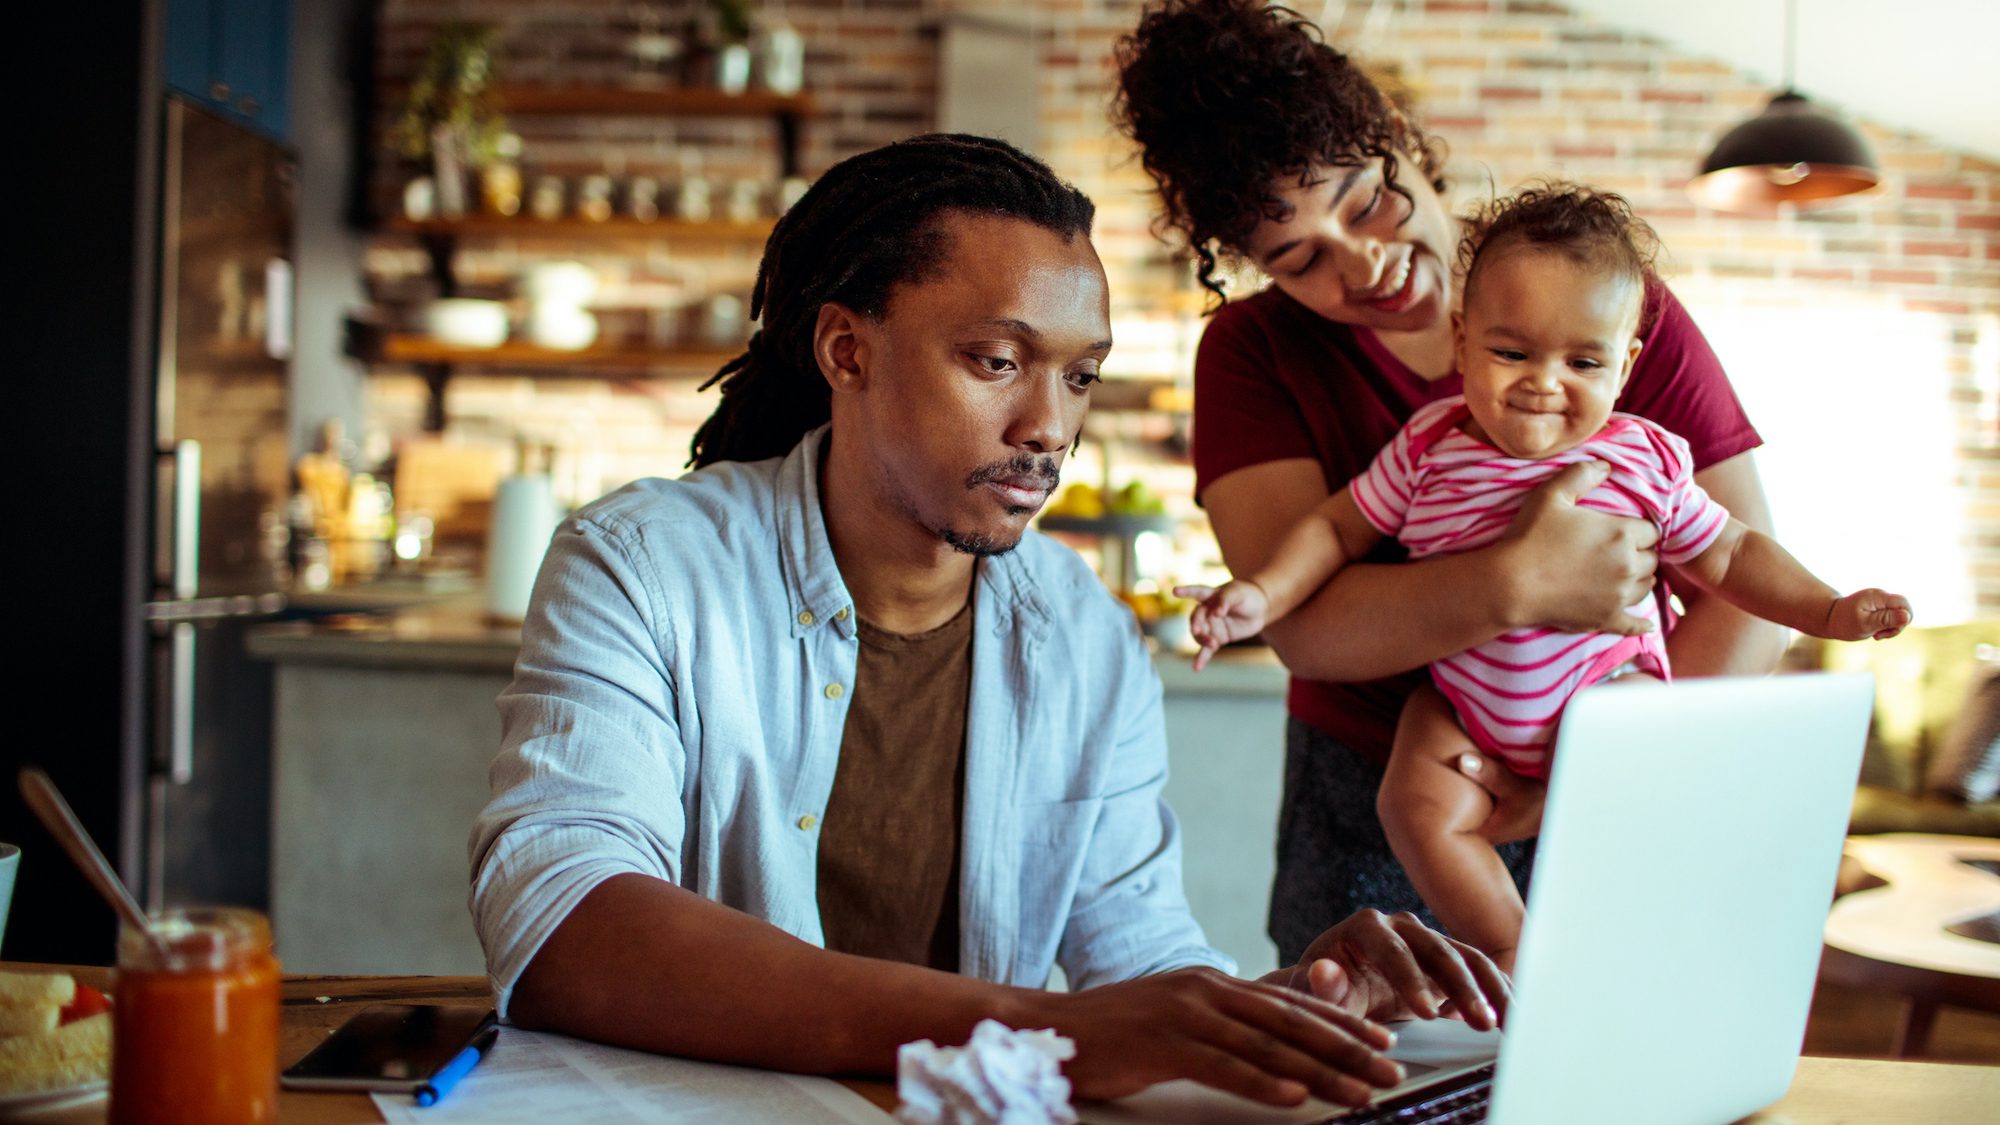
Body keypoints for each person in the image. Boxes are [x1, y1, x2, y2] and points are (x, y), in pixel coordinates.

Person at [468, 133, 1510, 1112]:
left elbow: (1138, 973)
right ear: (846, 351)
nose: (1046, 428)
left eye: (1079, 375)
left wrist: (1294, 1006)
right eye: (995, 361)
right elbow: (563, 921)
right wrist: (1046, 1030)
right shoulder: (645, 564)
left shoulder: (1086, 640)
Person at [1113, 0, 1793, 965]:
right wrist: (1515, 581)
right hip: (1383, 793)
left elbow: (1750, 593)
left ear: (1394, 138)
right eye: (1298, 258)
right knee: (1385, 1092)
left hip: (1625, 757)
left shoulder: (1602, 296)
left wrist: (1590, 777)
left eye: (1364, 203)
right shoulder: (1252, 352)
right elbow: (1305, 625)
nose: (1367, 264)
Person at [1178, 184, 1912, 970]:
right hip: (1459, 703)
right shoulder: (1429, 444)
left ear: (1625, 365)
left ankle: (1655, 958)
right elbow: (1333, 527)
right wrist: (1259, 594)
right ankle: (1510, 950)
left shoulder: (1642, 457)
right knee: (1413, 801)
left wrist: (1828, 609)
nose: (1544, 380)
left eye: (1583, 360)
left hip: (1600, 689)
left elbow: (1732, 555)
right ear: (1463, 343)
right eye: (1512, 352)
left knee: (1651, 769)